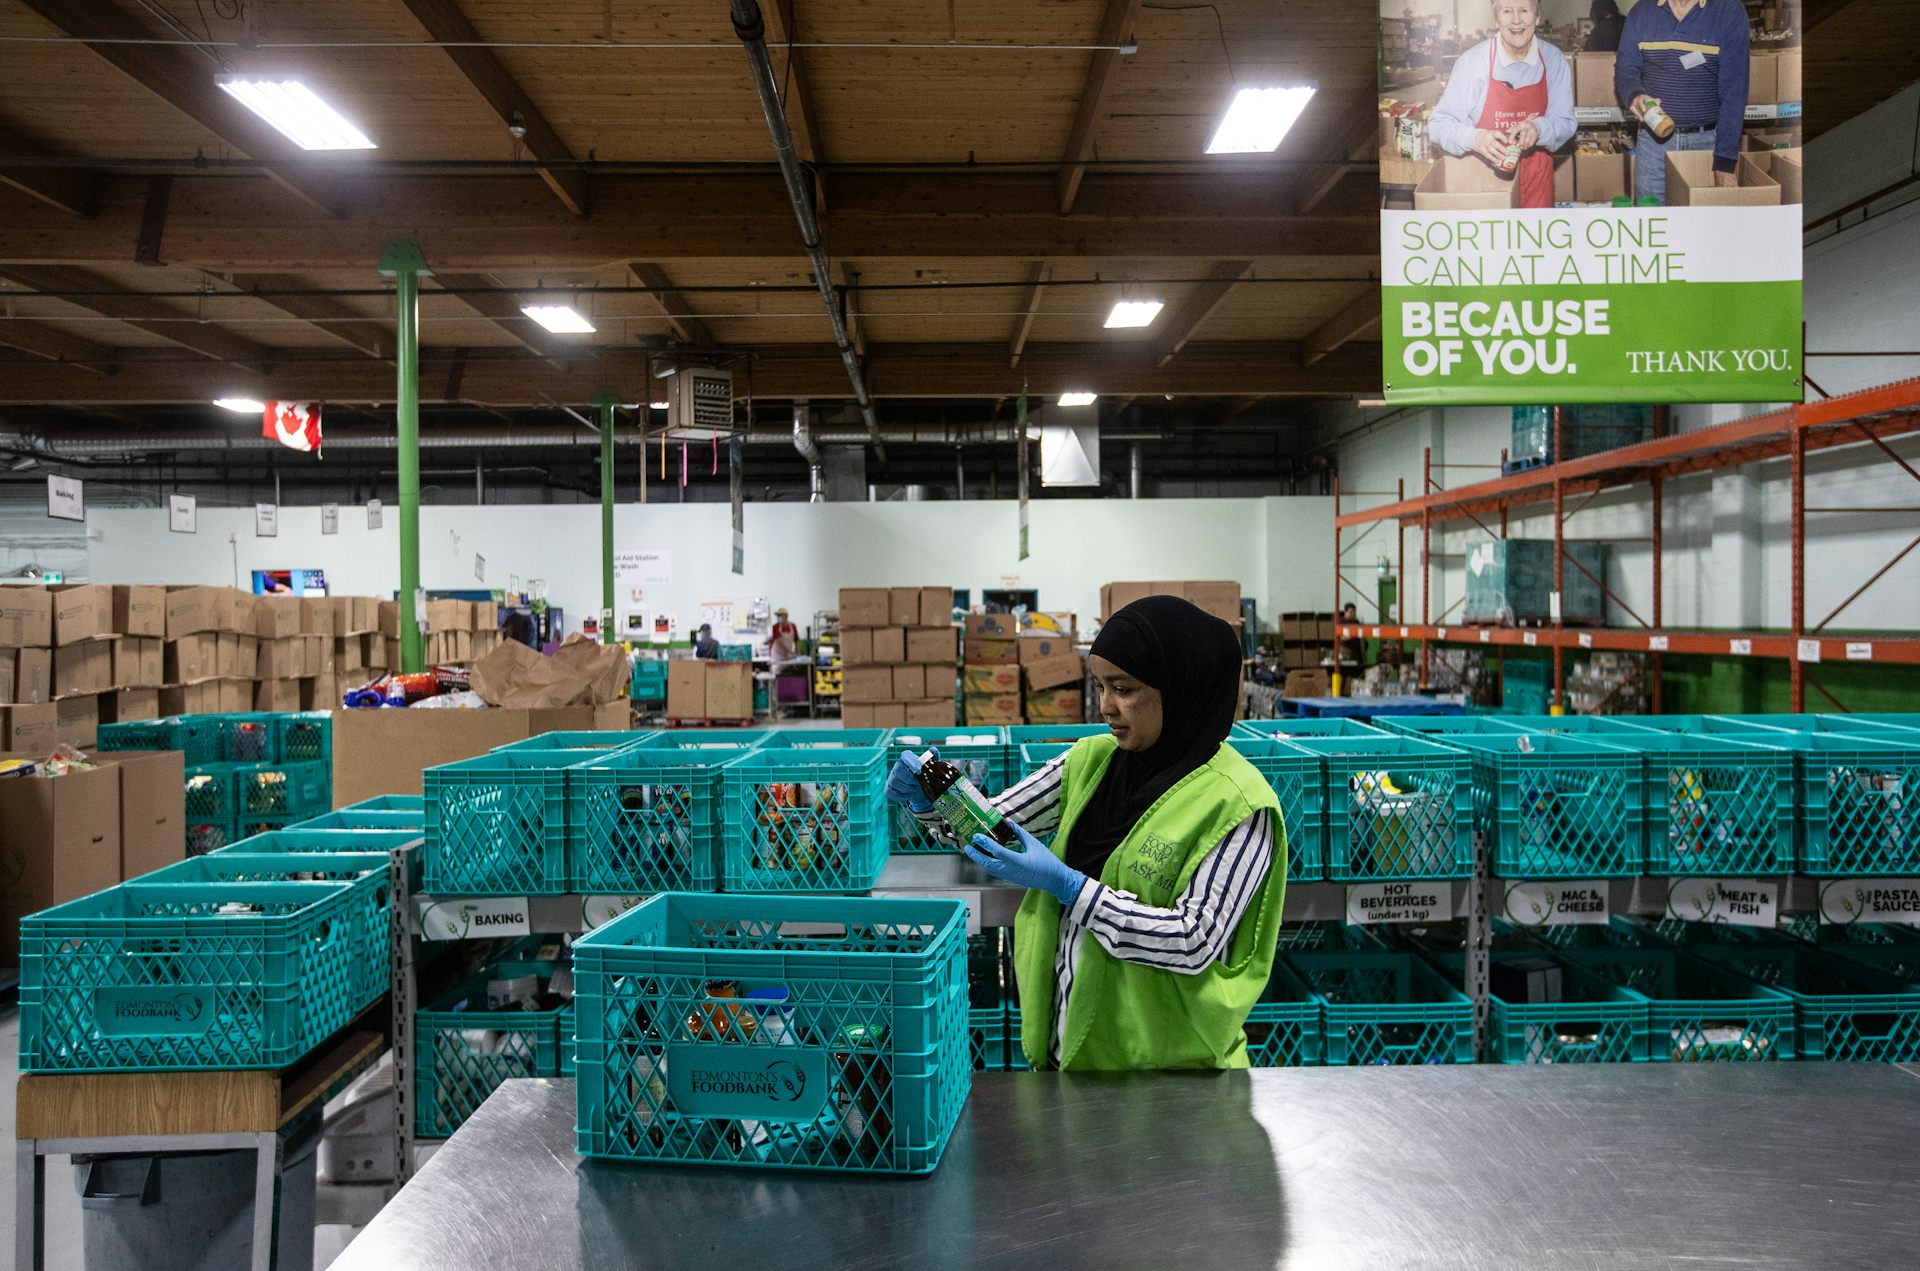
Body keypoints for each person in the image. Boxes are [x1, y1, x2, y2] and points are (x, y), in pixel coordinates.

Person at [885, 596, 1286, 1070]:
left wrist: (1071, 888)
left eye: (1124, 689)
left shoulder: (1238, 802)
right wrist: (932, 803)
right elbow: (992, 829)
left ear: (1180, 690)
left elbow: (1191, 941)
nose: (1106, 707)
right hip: (1070, 1058)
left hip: (1172, 1075)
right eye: (1100, 686)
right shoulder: (1091, 761)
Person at [1429, 0, 1577, 209]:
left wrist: (1539, 127)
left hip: (1536, 185)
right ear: (1496, 18)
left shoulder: (1553, 60)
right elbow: (1438, 124)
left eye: (1524, 10)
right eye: (1507, 11)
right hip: (1485, 188)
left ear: (1536, 16)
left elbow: (1565, 121)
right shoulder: (1473, 62)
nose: (1516, 20)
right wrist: (1476, 138)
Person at [1615, 0, 1750, 204]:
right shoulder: (1642, 12)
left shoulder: (1729, 11)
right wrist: (1635, 94)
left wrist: (1725, 161)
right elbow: (1625, 69)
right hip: (1653, 144)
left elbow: (1735, 91)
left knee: (1704, 226)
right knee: (1654, 223)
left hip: (1707, 143)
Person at [1338, 602, 1366, 668]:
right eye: (1350, 612)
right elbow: (1341, 637)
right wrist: (1352, 636)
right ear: (1345, 612)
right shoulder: (1341, 622)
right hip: (1346, 650)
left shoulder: (1356, 622)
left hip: (1356, 651)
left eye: (1354, 612)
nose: (1353, 614)